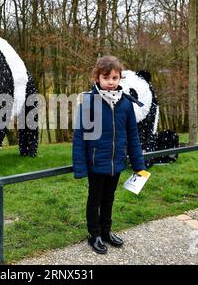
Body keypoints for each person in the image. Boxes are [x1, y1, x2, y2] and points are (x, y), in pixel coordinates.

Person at [72, 56, 146, 254]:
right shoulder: (89, 103)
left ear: (120, 78)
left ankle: (106, 231)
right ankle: (94, 234)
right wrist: (80, 168)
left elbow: (133, 136)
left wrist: (139, 166)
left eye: (115, 77)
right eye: (106, 78)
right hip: (96, 163)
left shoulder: (126, 104)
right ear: (97, 78)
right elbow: (79, 137)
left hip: (117, 162)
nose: (111, 82)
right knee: (94, 199)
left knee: (109, 198)